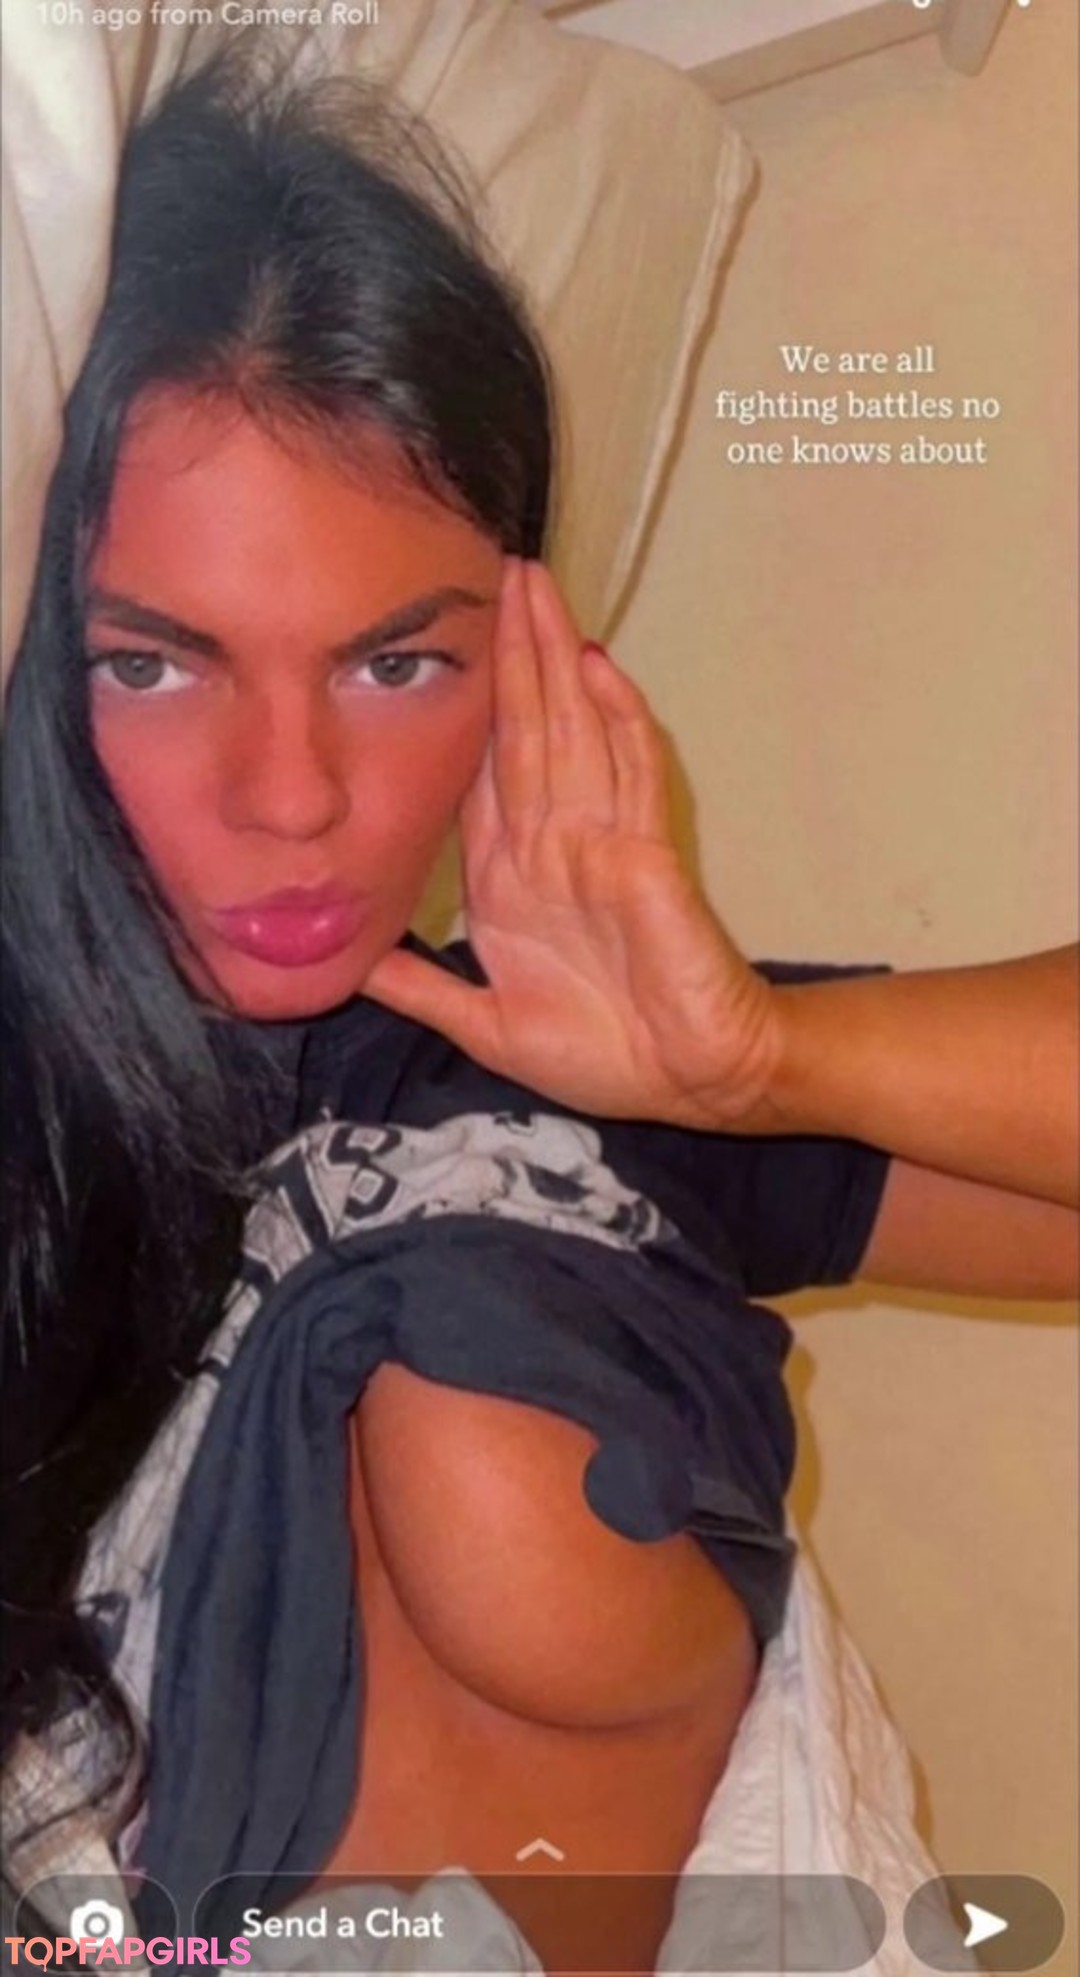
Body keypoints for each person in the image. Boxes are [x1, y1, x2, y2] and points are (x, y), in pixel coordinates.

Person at [1, 40, 1075, 1970]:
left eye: (396, 663)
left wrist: (760, 1061)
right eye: (153, 664)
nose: (293, 797)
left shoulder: (539, 1070)